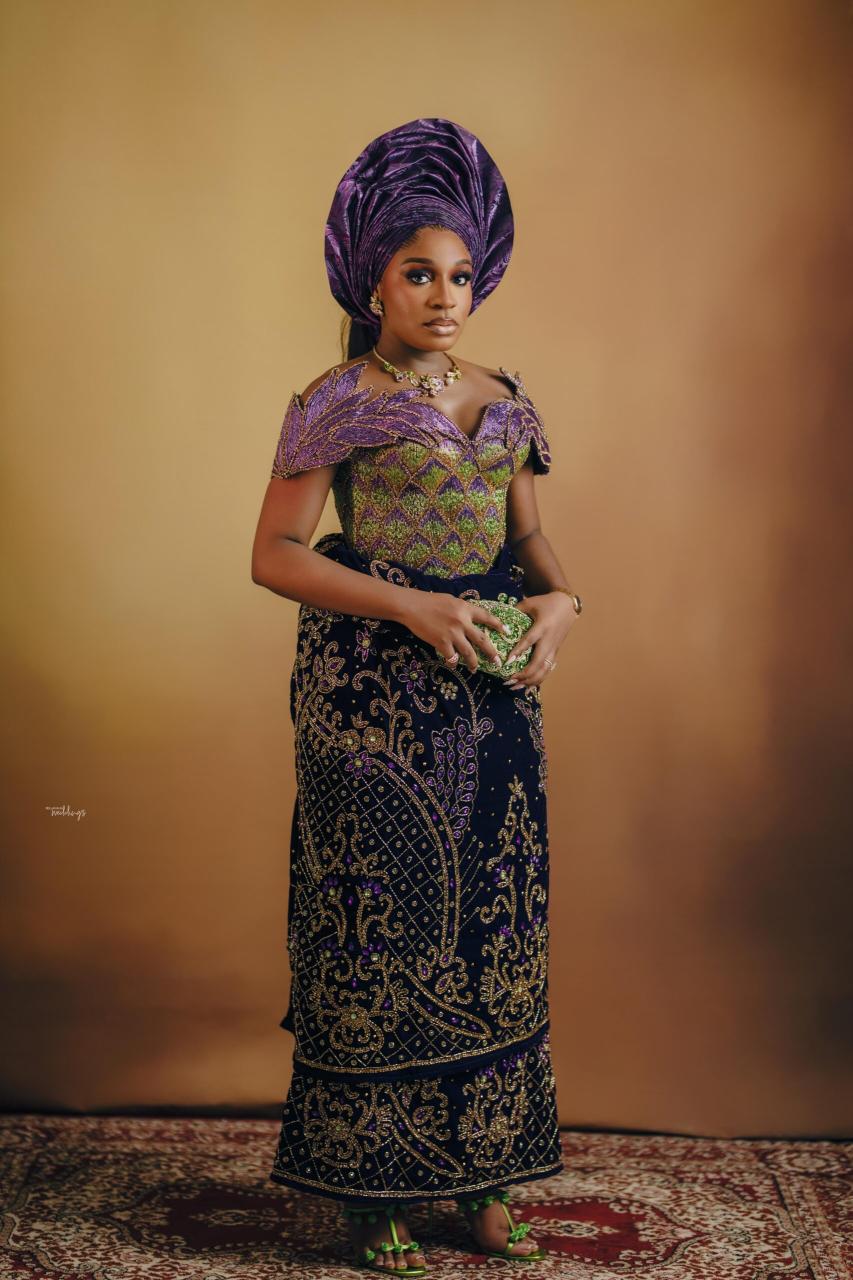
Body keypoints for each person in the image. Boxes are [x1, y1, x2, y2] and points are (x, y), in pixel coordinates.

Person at [251, 117, 582, 1273]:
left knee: (494, 927)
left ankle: (485, 1178)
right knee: (381, 937)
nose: (445, 296)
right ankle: (375, 1191)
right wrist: (411, 607)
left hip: (490, 698)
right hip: (369, 706)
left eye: (458, 275)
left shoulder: (505, 396)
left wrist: (560, 605)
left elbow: (530, 543)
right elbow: (274, 555)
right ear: (373, 281)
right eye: (418, 273)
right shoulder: (332, 400)